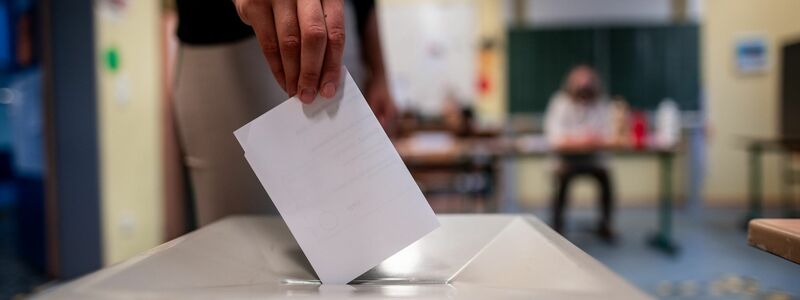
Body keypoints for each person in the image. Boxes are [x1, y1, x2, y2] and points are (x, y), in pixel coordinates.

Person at [174, 0, 396, 226]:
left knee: (355, 229)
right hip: (228, 40)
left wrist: (379, 71)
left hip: (337, 35)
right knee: (246, 239)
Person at [544, 65, 616, 241]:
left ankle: (605, 225)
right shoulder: (560, 103)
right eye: (580, 85)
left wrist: (588, 139)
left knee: (606, 178)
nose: (584, 90)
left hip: (593, 159)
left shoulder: (601, 104)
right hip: (566, 160)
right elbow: (554, 136)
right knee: (561, 180)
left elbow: (608, 133)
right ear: (571, 85)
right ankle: (557, 227)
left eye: (588, 85)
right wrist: (582, 139)